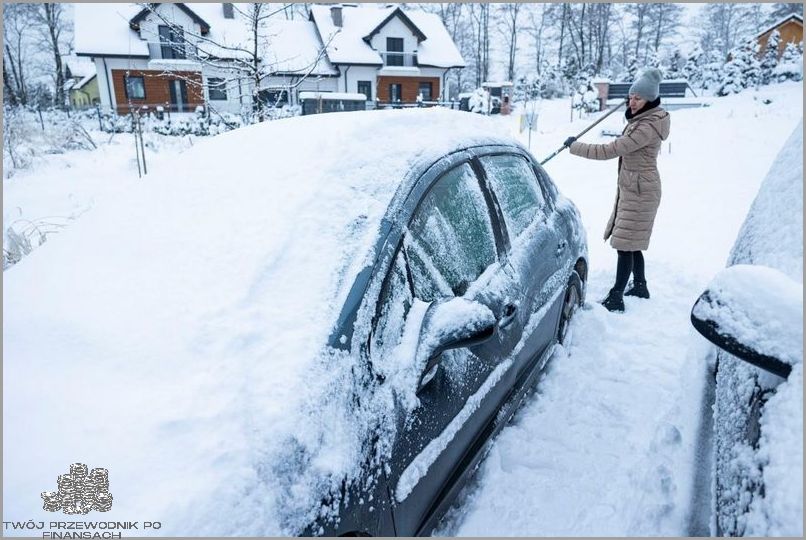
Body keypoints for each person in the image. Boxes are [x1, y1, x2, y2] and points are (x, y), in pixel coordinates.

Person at [562, 68, 670, 312]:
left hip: (641, 190)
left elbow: (610, 150)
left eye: (638, 98)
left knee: (625, 244)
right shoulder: (644, 119)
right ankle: (640, 286)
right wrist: (632, 109)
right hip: (637, 187)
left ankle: (616, 297)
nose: (632, 102)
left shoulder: (647, 127)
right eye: (631, 97)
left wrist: (575, 146)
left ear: (650, 99)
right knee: (633, 241)